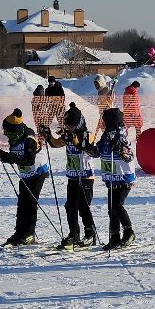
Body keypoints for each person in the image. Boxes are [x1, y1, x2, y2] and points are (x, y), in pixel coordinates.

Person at [44, 103, 98, 249]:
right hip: (73, 177)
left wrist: (77, 141)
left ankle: (90, 234)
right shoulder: (68, 135)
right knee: (70, 207)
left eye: (71, 126)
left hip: (86, 177)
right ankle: (74, 234)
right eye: (67, 126)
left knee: (83, 207)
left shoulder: (88, 134)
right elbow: (56, 143)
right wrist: (48, 136)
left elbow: (90, 149)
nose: (69, 128)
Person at [0, 109, 49, 247]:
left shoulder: (29, 138)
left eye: (9, 132)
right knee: (22, 202)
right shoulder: (15, 136)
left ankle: (29, 233)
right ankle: (19, 232)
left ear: (16, 130)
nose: (7, 135)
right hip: (25, 174)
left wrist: (7, 157)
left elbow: (28, 161)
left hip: (37, 171)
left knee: (30, 202)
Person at [94, 106, 137, 249]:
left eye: (105, 122)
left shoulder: (122, 136)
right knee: (111, 209)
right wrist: (84, 146)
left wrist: (119, 148)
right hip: (111, 179)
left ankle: (129, 231)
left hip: (123, 178)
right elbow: (97, 151)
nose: (103, 124)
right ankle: (114, 236)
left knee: (117, 206)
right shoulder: (105, 136)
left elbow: (129, 156)